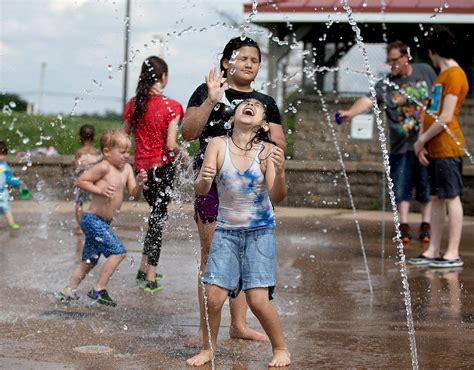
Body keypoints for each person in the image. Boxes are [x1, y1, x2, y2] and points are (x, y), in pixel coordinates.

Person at [182, 36, 286, 345]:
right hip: (213, 183)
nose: (250, 63)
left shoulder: (265, 104)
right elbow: (188, 132)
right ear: (227, 62)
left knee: (242, 254)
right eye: (243, 58)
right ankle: (206, 330)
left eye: (255, 60)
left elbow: (279, 146)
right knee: (213, 253)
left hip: (250, 191)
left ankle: (238, 324)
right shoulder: (207, 92)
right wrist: (213, 100)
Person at [186, 98, 290, 367]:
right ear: (232, 118)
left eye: (257, 106)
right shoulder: (218, 145)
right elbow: (200, 188)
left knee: (257, 300)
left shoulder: (267, 151)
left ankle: (280, 348)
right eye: (245, 103)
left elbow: (276, 196)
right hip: (226, 231)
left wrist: (279, 174)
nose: (250, 105)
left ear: (263, 124)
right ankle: (209, 349)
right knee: (213, 296)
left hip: (260, 232)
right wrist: (205, 179)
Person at [339, 40, 436, 245]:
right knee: (401, 188)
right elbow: (368, 100)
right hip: (400, 146)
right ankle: (404, 226)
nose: (391, 65)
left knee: (426, 187)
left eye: (394, 60)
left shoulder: (425, 71)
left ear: (405, 57)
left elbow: (438, 96)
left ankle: (426, 225)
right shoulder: (386, 84)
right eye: (389, 61)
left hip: (426, 143)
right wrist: (350, 112)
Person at [57, 129, 147, 306]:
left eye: (128, 152)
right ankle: (99, 288)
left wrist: (140, 183)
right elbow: (80, 181)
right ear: (106, 152)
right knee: (118, 252)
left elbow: (134, 194)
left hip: (102, 222)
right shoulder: (104, 167)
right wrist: (100, 190)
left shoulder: (127, 169)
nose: (126, 156)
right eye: (122, 152)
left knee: (89, 261)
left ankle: (68, 290)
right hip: (92, 219)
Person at [123, 56, 184, 293]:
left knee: (153, 216)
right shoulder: (173, 107)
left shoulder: (133, 104)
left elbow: (123, 135)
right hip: (163, 169)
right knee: (158, 218)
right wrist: (185, 153)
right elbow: (171, 144)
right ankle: (150, 277)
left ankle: (142, 268)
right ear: (164, 78)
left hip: (141, 168)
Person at [409, 26, 468, 268]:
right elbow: (432, 112)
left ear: (434, 51)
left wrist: (421, 140)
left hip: (447, 147)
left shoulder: (455, 75)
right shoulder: (442, 76)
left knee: (451, 197)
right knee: (436, 198)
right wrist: (423, 141)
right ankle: (433, 250)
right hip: (435, 148)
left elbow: (445, 117)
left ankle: (452, 253)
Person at [73, 124, 99, 233]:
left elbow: (76, 166)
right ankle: (92, 225)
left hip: (82, 181)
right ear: (93, 137)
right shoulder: (95, 152)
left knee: (79, 203)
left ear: (80, 137)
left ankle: (80, 227)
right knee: (94, 203)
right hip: (93, 181)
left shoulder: (79, 152)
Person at [0, 140, 23, 230]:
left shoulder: (4, 166)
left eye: (3, 154)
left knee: (6, 208)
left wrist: (18, 183)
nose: (1, 157)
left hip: (2, 192)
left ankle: (11, 223)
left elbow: (9, 178)